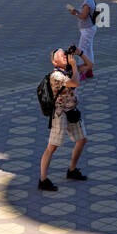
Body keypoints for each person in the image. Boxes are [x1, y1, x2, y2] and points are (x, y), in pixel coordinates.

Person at [38, 45, 91, 192]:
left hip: (72, 110)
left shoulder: (68, 70)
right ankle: (42, 179)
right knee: (52, 147)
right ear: (55, 63)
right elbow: (75, 83)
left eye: (65, 54)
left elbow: (89, 65)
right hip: (60, 114)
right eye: (62, 56)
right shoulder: (56, 76)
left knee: (82, 140)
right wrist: (74, 65)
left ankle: (72, 170)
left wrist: (80, 53)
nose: (65, 57)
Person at [68, 0, 97, 71]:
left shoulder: (87, 2)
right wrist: (77, 11)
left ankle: (81, 70)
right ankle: (89, 69)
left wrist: (75, 12)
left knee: (80, 50)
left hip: (87, 29)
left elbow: (83, 16)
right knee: (88, 49)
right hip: (90, 28)